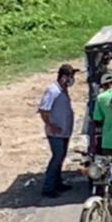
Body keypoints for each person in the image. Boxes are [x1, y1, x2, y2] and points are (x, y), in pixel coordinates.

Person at [37, 64, 77, 198]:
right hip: (55, 133)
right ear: (64, 77)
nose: (72, 80)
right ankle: (48, 188)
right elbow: (43, 110)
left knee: (61, 157)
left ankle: (58, 183)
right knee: (56, 158)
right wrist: (50, 125)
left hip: (64, 131)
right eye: (71, 76)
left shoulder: (63, 90)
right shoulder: (52, 90)